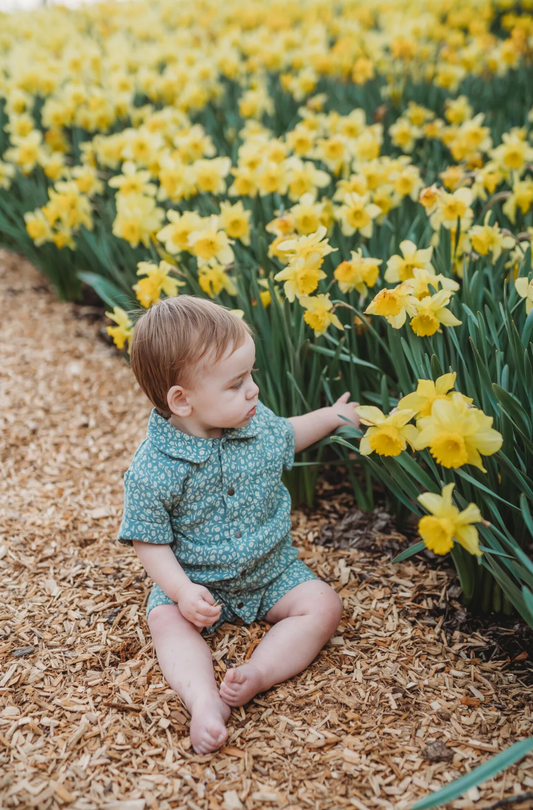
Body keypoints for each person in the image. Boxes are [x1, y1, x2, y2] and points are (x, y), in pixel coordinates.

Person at [116, 295, 360, 755]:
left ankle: (257, 675)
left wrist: (331, 417)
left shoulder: (256, 425)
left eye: (252, 376)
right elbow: (148, 540)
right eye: (236, 384)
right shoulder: (153, 469)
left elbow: (289, 433)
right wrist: (183, 591)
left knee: (323, 604)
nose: (254, 391)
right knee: (166, 622)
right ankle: (204, 699)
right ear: (182, 401)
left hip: (272, 572)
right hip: (197, 583)